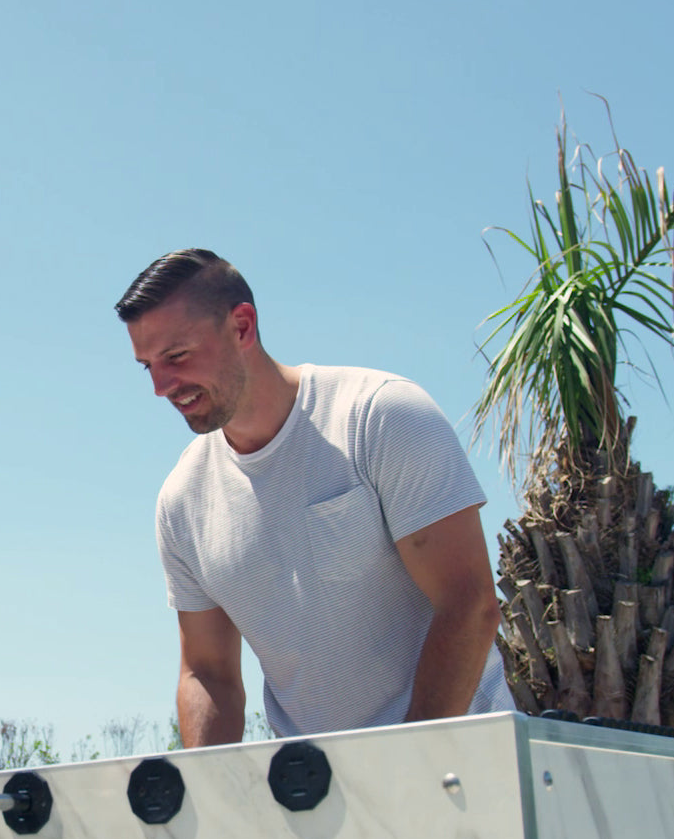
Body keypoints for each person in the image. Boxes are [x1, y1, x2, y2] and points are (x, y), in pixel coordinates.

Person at [116, 249, 513, 746]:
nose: (160, 386)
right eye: (146, 366)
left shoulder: (379, 416)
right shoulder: (182, 502)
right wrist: (213, 802)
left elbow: (469, 604)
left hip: (466, 772)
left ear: (242, 327)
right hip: (316, 799)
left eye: (176, 357)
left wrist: (412, 770)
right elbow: (207, 672)